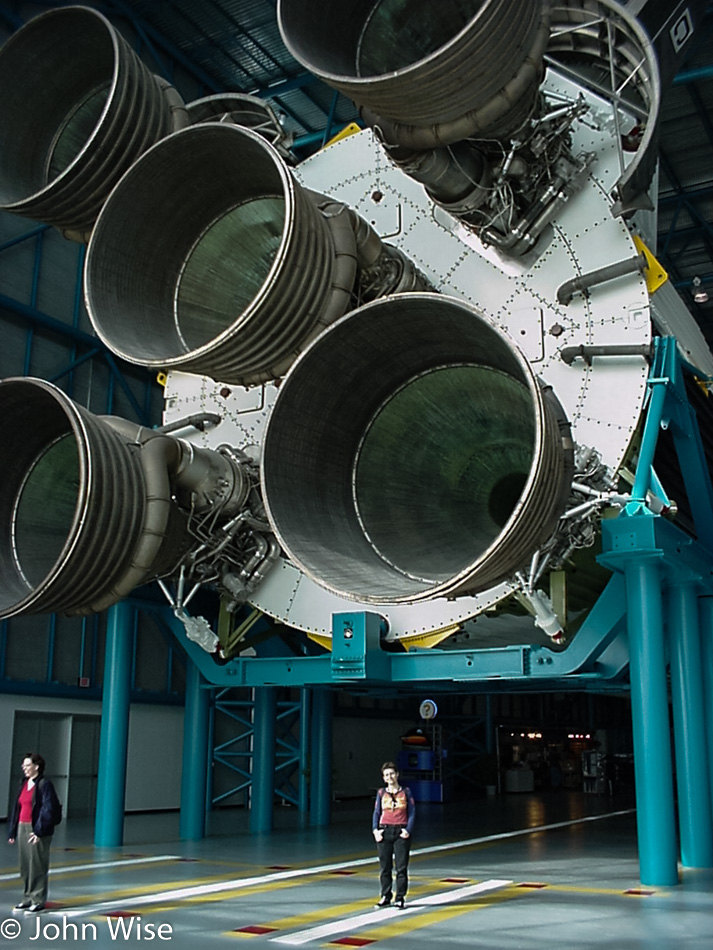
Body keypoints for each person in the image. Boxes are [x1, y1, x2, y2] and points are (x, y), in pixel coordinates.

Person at [7, 753, 61, 913]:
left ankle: (38, 899)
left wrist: (39, 831)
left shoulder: (44, 784)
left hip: (36, 828)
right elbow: (18, 808)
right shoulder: (24, 783)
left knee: (37, 864)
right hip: (23, 827)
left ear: (36, 767)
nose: (24, 768)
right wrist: (12, 830)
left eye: (27, 765)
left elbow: (48, 809)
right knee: (25, 865)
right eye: (23, 765)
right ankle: (27, 897)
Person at [372, 761, 415, 909]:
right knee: (385, 867)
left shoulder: (406, 792)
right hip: (384, 831)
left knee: (401, 867)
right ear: (383, 778)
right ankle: (385, 895)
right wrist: (375, 830)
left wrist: (407, 830)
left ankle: (400, 897)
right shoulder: (381, 793)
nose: (389, 777)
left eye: (392, 774)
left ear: (397, 775)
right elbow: (377, 813)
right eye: (386, 775)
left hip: (400, 832)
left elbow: (412, 813)